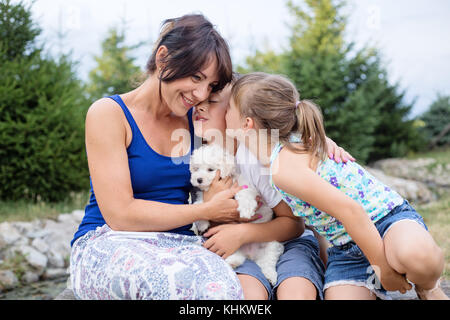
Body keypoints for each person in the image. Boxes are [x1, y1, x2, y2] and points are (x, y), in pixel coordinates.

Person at [69, 14, 250, 300]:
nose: (201, 94)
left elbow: (256, 114)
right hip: (108, 240)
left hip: (179, 244)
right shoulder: (109, 114)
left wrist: (308, 133)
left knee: (224, 290)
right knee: (164, 284)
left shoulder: (198, 119)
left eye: (210, 86)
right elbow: (120, 215)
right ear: (163, 58)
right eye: (196, 77)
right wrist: (204, 211)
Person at [225, 72, 449, 300]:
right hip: (346, 251)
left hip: (385, 222)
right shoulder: (291, 147)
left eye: (228, 108)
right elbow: (317, 219)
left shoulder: (285, 166)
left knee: (418, 257)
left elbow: (350, 210)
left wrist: (384, 270)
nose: (225, 113)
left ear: (246, 123)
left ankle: (428, 287)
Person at [190, 78, 353, 300]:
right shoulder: (192, 153)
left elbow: (295, 223)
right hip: (234, 251)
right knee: (249, 294)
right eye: (198, 100)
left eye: (215, 101)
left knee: (296, 292)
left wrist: (321, 140)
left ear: (244, 118)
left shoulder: (260, 156)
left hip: (287, 242)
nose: (200, 105)